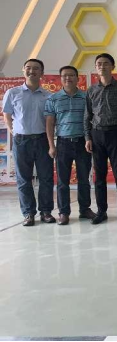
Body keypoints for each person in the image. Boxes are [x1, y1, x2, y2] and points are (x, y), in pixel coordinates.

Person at [2, 59, 54, 226]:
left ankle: (46, 212)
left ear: (42, 73)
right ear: (23, 70)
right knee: (23, 179)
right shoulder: (12, 93)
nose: (32, 71)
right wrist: (13, 132)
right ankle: (28, 213)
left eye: (36, 68)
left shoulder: (48, 96)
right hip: (21, 140)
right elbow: (7, 115)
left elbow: (51, 121)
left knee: (46, 178)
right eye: (28, 68)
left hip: (42, 140)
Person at [84, 53, 117, 225]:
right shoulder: (91, 90)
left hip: (116, 134)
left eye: (106, 63)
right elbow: (87, 116)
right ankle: (101, 211)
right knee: (99, 176)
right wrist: (88, 137)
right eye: (99, 64)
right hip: (97, 135)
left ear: (112, 66)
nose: (102, 66)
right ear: (96, 67)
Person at [45, 65, 95, 225]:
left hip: (82, 143)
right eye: (65, 75)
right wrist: (51, 145)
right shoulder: (53, 99)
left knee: (84, 179)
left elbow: (91, 120)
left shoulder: (86, 97)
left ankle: (85, 209)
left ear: (78, 78)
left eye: (71, 75)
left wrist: (90, 139)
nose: (68, 78)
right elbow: (50, 123)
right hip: (63, 143)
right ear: (60, 79)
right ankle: (63, 212)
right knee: (62, 181)